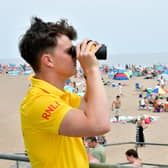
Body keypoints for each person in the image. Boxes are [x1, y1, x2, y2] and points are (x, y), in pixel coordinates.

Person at [18, 17, 110, 168]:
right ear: (49, 60)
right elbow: (100, 125)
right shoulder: (38, 102)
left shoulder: (60, 96)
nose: (75, 55)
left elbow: (91, 107)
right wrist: (92, 69)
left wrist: (88, 71)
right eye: (70, 51)